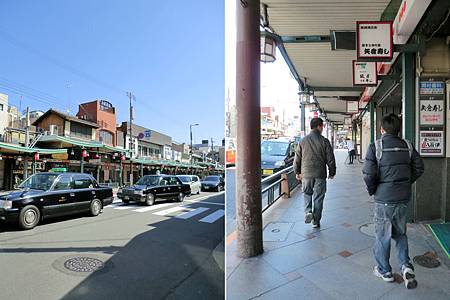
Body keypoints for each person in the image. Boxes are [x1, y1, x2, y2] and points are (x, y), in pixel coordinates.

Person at [362, 113, 424, 289]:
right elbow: (419, 167)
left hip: (384, 200)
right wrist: (405, 182)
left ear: (382, 129)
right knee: (400, 234)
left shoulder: (376, 146)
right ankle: (405, 266)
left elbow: (368, 174)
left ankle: (385, 271)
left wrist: (373, 190)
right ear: (398, 130)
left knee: (383, 236)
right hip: (402, 199)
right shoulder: (408, 146)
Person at [294, 117, 336, 228]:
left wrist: (297, 172)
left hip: (306, 174)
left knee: (307, 193)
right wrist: (332, 172)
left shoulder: (303, 141)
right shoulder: (324, 141)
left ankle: (308, 211)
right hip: (320, 174)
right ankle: (316, 221)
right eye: (322, 126)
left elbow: (297, 158)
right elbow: (330, 159)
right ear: (319, 126)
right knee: (318, 198)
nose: (323, 128)